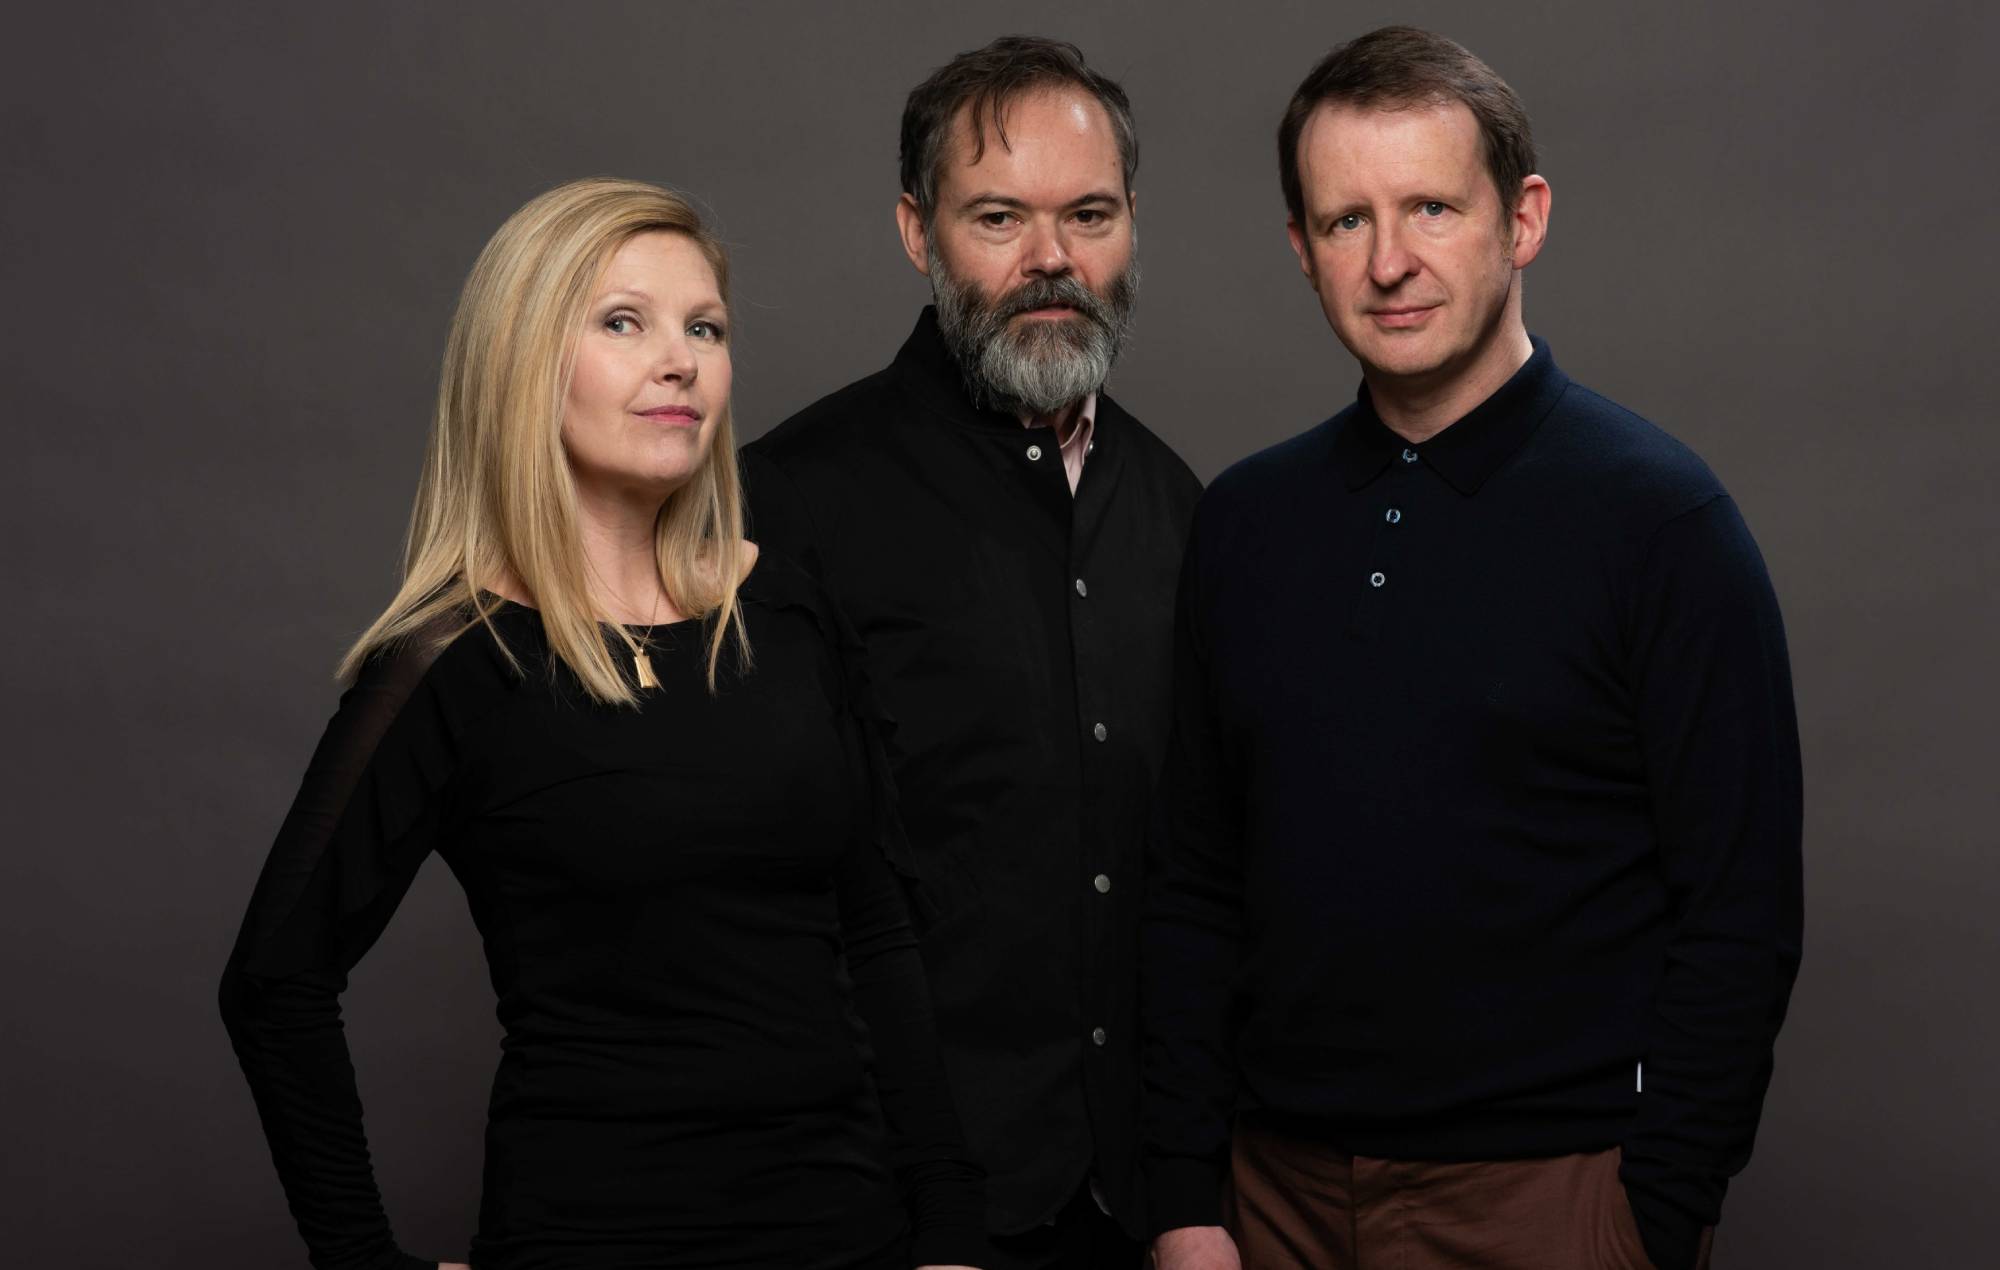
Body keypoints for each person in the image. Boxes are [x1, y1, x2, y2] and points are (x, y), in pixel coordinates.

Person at [218, 177, 985, 1270]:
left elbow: (877, 930)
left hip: (847, 1236)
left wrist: (948, 1233)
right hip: (591, 1234)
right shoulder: (454, 663)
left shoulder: (786, 608)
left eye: (704, 328)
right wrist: (362, 1260)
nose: (679, 361)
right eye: (623, 322)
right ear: (524, 361)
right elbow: (273, 983)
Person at [1143, 26, 1802, 1270]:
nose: (1387, 261)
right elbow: (1192, 881)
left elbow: (1739, 908)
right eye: (1345, 220)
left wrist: (1651, 1217)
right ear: (1300, 248)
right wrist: (1182, 1198)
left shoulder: (1658, 520)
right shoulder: (1244, 521)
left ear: (1523, 219)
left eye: (1430, 208)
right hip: (1270, 1194)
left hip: (1549, 1197)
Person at [741, 36, 1201, 1270]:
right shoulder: (789, 501)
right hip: (890, 1207)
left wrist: (1188, 1190)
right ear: (917, 232)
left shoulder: (1180, 509)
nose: (1050, 257)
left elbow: (1193, 883)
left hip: (1137, 1207)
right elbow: (754, 900)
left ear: (1129, 224)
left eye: (1087, 214)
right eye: (998, 216)